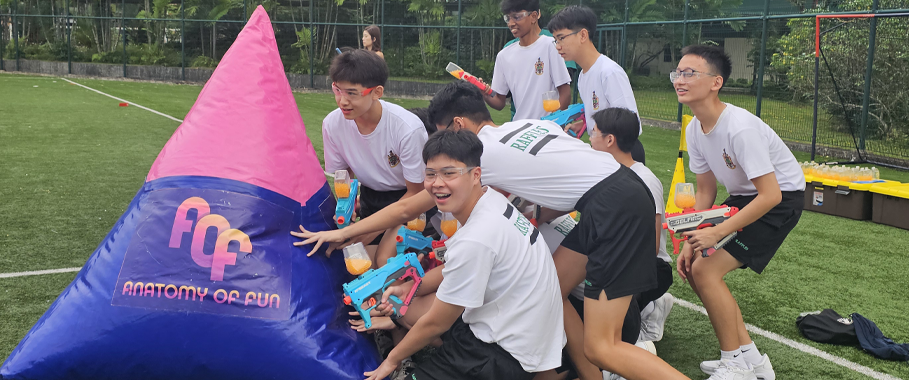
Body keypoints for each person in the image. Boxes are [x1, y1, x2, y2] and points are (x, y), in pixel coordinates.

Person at [294, 81, 688, 380]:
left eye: (444, 137)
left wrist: (344, 233)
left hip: (613, 207)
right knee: (553, 285)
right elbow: (565, 174)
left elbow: (407, 206)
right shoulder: (525, 125)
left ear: (459, 126)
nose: (443, 158)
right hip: (616, 190)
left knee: (604, 346)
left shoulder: (480, 155)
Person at [354, 129, 566, 380]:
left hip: (503, 351)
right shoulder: (491, 201)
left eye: (449, 173)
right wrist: (409, 289)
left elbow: (437, 322)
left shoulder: (477, 238)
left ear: (475, 175)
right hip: (528, 331)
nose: (437, 183)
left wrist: (392, 360)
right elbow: (447, 273)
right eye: (431, 174)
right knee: (408, 309)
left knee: (421, 320)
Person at [673, 45, 805, 380]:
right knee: (696, 266)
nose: (680, 79)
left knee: (705, 272)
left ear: (716, 82)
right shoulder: (693, 128)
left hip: (780, 201)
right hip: (745, 198)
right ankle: (750, 360)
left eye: (690, 73)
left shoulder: (739, 127)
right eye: (678, 73)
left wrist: (716, 232)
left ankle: (734, 362)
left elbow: (771, 194)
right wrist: (692, 238)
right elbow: (705, 190)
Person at [321, 49, 428, 266]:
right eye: (337, 90)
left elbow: (417, 193)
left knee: (383, 261)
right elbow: (344, 178)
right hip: (370, 200)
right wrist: (348, 207)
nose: (342, 101)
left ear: (377, 92)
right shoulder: (332, 124)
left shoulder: (407, 128)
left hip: (412, 203)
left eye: (352, 93)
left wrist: (368, 229)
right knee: (342, 262)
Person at [588, 107, 674, 344]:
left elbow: (652, 245)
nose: (589, 138)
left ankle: (635, 344)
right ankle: (650, 309)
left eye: (593, 132)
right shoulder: (608, 173)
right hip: (623, 259)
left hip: (650, 267)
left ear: (609, 140)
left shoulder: (644, 180)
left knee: (602, 297)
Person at [547, 5, 644, 163]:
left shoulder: (609, 72)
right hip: (603, 157)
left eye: (561, 38)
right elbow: (601, 114)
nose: (558, 46)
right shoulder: (583, 76)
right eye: (555, 40)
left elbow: (631, 125)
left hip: (623, 158)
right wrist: (584, 125)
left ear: (583, 35)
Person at [483, 0, 571, 121]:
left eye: (516, 17)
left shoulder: (550, 45)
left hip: (547, 130)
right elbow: (499, 102)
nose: (511, 23)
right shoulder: (503, 56)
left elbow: (565, 93)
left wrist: (553, 123)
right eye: (508, 18)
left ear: (534, 16)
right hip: (520, 131)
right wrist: (483, 93)